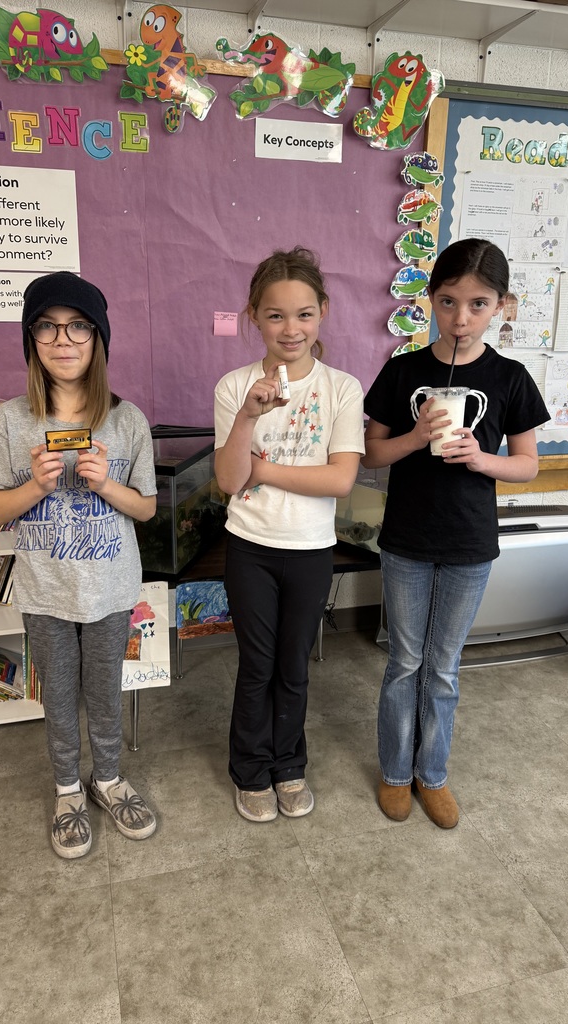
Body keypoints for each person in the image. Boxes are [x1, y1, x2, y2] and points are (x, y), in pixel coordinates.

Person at [362, 238, 549, 829]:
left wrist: (481, 458)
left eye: (477, 304)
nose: (460, 318)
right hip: (407, 540)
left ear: (502, 307)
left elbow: (528, 463)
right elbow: (371, 456)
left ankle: (432, 774)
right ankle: (396, 772)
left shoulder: (511, 377)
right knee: (404, 661)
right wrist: (416, 438)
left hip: (470, 543)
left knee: (443, 666)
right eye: (447, 302)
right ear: (430, 301)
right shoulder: (402, 370)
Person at [0, 271, 158, 859]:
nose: (64, 339)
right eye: (48, 327)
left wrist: (106, 484)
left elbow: (148, 508)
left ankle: (107, 779)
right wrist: (35, 483)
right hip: (45, 590)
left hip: (109, 588)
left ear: (98, 337)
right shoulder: (11, 420)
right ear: (32, 339)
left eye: (78, 326)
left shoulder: (127, 419)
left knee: (105, 691)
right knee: (58, 694)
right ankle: (66, 789)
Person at [214, 247, 364, 822]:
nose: (290, 328)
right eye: (275, 315)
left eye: (303, 314)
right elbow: (230, 482)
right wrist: (248, 418)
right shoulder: (234, 387)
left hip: (310, 550)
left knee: (293, 665)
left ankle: (289, 764)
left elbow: (341, 478)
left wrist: (265, 468)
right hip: (249, 547)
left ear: (322, 312)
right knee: (257, 664)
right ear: (254, 317)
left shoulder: (341, 389)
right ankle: (250, 770)